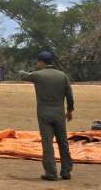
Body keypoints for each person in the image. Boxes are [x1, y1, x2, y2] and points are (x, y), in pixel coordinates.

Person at [19, 51, 75, 181]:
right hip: (59, 113)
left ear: (42, 62)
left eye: (38, 62)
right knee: (63, 142)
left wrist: (21, 71)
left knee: (47, 143)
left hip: (44, 113)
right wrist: (70, 110)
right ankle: (66, 171)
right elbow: (69, 95)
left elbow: (24, 76)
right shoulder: (63, 76)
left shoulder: (38, 75)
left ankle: (51, 172)